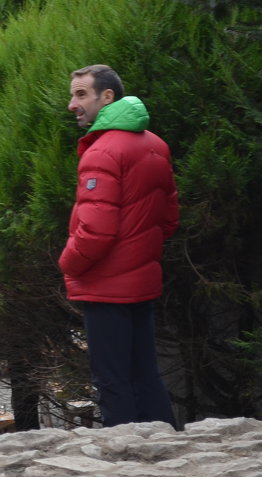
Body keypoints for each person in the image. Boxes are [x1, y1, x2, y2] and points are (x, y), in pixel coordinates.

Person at [60, 64, 179, 429]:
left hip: (106, 286)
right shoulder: (155, 145)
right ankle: (168, 446)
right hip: (141, 281)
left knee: (111, 379)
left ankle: (124, 458)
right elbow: (169, 220)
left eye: (81, 94)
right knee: (145, 373)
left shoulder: (102, 152)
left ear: (107, 96)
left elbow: (95, 232)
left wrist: (67, 264)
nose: (72, 104)